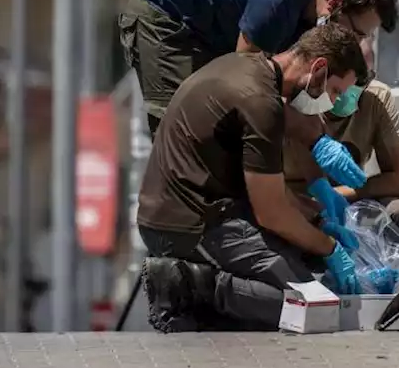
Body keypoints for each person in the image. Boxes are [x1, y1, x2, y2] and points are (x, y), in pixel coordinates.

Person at [135, 22, 369, 333]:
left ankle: (215, 303)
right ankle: (192, 284)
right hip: (187, 225)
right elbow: (271, 212)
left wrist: (317, 223)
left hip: (198, 208)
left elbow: (267, 188)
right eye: (335, 91)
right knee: (314, 308)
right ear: (319, 68)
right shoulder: (261, 103)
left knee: (306, 259)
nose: (332, 103)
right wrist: (329, 247)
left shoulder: (248, 66)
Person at [118, 0, 398, 190]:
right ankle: (180, 231)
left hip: (212, 32)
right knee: (184, 131)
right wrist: (315, 140)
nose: (356, 44)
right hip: (167, 21)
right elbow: (247, 89)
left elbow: (287, 97)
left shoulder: (309, 16)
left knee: (225, 129)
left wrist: (317, 183)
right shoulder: (275, 2)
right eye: (356, 33)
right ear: (335, 4)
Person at [285, 46, 399, 229]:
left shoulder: (376, 99)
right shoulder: (296, 98)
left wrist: (339, 194)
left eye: (361, 79)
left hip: (350, 198)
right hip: (294, 201)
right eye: (340, 84)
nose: (350, 88)